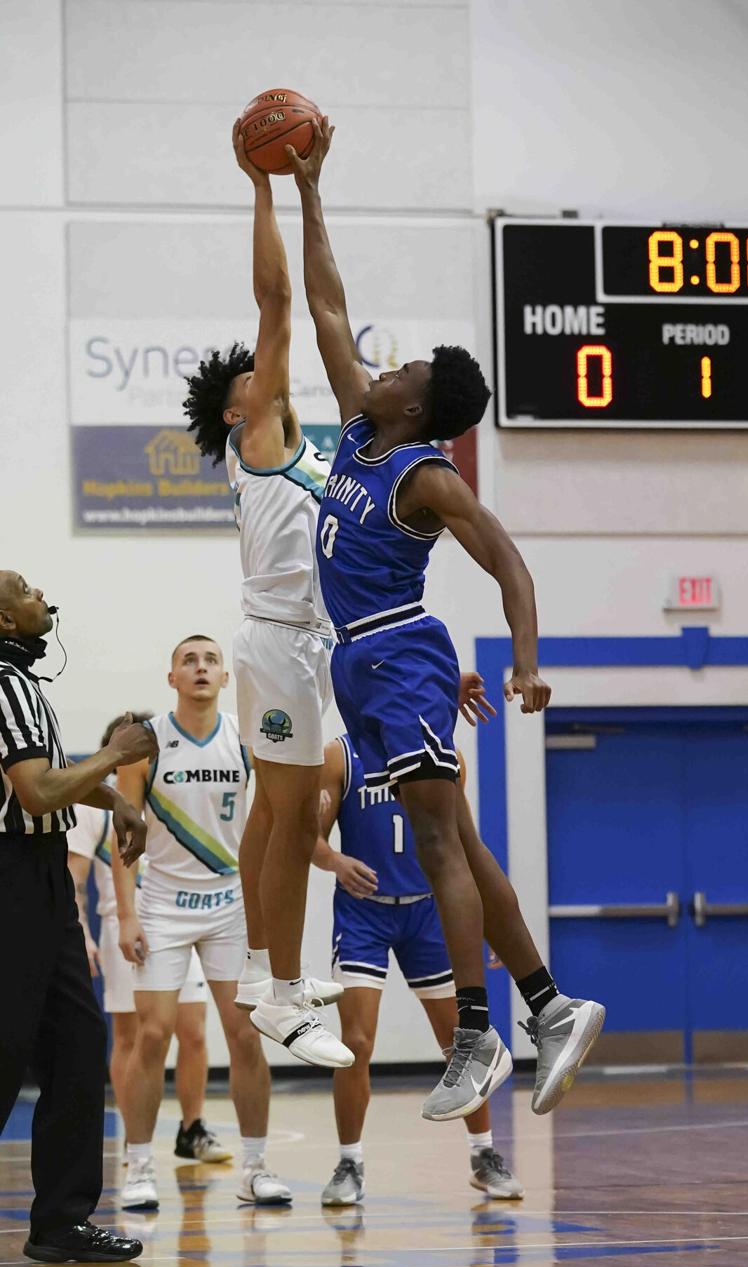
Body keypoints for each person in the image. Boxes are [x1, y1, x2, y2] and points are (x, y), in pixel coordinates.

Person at [287, 121, 605, 1123]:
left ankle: (478, 1030)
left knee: (436, 846)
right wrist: (309, 190)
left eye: (404, 372)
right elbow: (326, 303)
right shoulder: (357, 430)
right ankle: (549, 1003)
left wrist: (527, 662)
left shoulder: (421, 473)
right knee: (460, 839)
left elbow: (506, 556)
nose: (384, 368)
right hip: (362, 665)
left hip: (404, 652)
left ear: (419, 408)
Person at [183, 121, 349, 1070]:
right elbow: (279, 298)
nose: (265, 369)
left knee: (270, 813)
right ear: (239, 414)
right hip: (280, 642)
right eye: (253, 377)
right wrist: (268, 184)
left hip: (301, 645)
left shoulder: (297, 450)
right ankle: (282, 998)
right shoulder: (260, 439)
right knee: (294, 813)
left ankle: (254, 970)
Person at [0, 569, 152, 1263]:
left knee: (77, 1044)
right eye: (27, 591)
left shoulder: (24, 686)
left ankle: (60, 1222)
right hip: (13, 878)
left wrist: (115, 799)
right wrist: (119, 756)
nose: (43, 599)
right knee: (9, 1050)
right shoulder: (7, 686)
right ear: (5, 621)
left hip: (41, 884)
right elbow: (35, 794)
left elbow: (56, 772)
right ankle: (60, 1218)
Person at [112, 635, 289, 1210]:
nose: (201, 668)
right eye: (189, 660)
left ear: (225, 676)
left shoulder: (246, 738)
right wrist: (129, 914)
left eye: (211, 659)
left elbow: (276, 816)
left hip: (231, 904)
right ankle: (139, 1166)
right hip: (163, 904)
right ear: (171, 678)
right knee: (154, 1033)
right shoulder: (147, 742)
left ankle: (256, 1167)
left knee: (245, 1035)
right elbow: (123, 838)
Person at [314, 730, 524, 1205]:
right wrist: (335, 861)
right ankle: (349, 1162)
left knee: (461, 1042)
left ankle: (484, 1155)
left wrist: (488, 920)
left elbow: (466, 848)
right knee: (356, 1042)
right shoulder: (339, 754)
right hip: (364, 912)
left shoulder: (444, 755)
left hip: (428, 910)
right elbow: (311, 841)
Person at [68, 712, 232, 1165]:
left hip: (177, 920)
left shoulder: (167, 797)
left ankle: (192, 1129)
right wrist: (82, 932)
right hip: (127, 928)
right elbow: (73, 880)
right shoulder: (90, 806)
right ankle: (131, 1133)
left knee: (194, 1031)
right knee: (132, 1037)